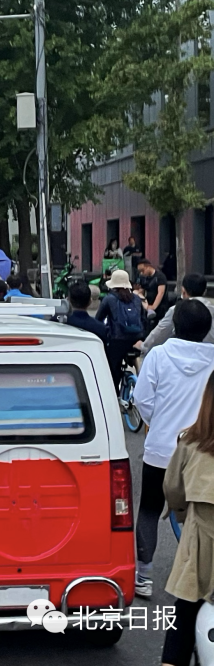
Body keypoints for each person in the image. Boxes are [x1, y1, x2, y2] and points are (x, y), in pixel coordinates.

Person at [133, 299, 214, 599]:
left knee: (150, 510)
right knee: (201, 514)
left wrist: (161, 422)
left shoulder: (158, 356)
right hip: (203, 450)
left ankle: (144, 575)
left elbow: (142, 400)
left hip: (161, 448)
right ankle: (201, 575)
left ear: (175, 326)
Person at [160, 372, 214, 666]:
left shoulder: (191, 442)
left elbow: (173, 490)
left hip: (201, 546)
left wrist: (183, 514)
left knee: (184, 610)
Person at [95, 270, 147, 390]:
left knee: (112, 369)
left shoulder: (109, 299)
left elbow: (98, 319)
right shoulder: (137, 299)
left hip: (117, 340)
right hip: (136, 339)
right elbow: (143, 319)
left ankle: (115, 393)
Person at [142, 273, 214, 354]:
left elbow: (159, 333)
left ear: (183, 291)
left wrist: (144, 346)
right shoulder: (211, 309)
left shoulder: (177, 310)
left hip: (184, 356)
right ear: (205, 292)